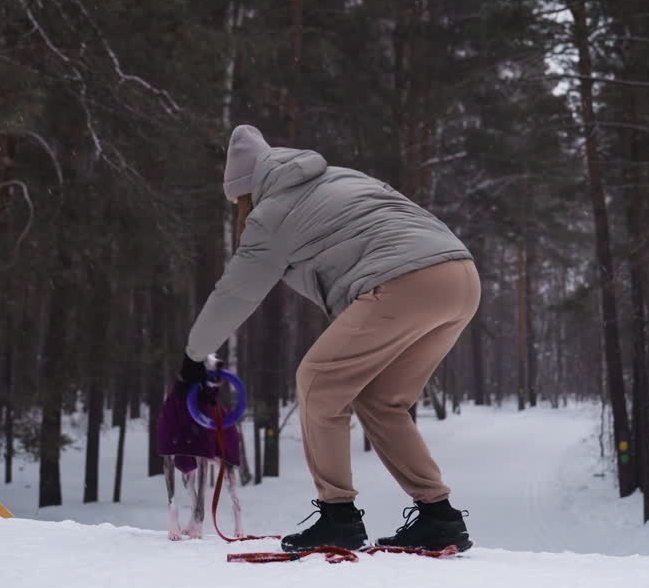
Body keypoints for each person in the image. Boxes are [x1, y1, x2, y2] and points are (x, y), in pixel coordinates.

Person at [179, 125, 480, 553]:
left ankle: (338, 515)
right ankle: (439, 517)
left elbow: (237, 292)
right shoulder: (337, 178)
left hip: (405, 281)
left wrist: (194, 355)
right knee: (382, 401)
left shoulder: (272, 213)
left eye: (238, 203)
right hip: (460, 278)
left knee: (318, 382)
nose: (239, 213)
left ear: (248, 191)